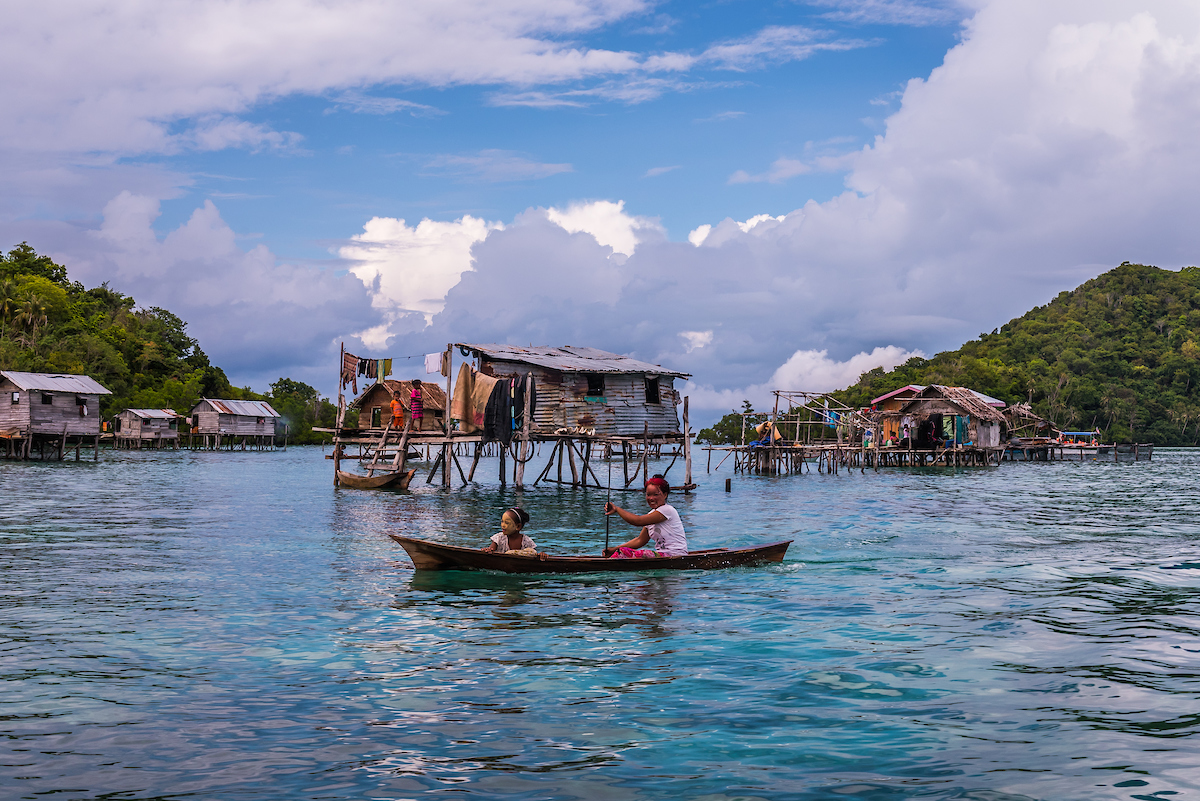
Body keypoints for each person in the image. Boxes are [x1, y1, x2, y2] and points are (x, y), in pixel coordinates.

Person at [603, 475, 687, 558]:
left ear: (665, 495)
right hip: (663, 556)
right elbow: (640, 540)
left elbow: (638, 521)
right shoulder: (651, 515)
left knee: (623, 552)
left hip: (676, 555)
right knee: (622, 551)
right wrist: (614, 549)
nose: (651, 498)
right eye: (648, 495)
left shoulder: (667, 510)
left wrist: (617, 509)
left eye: (656, 495)